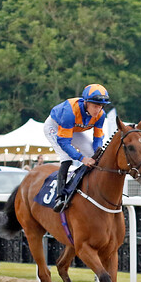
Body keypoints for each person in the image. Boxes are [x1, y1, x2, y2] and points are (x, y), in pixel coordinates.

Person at [43, 83, 109, 212]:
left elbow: (97, 139)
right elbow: (64, 142)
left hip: (74, 129)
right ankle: (60, 197)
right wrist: (81, 158)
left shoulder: (101, 115)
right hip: (55, 126)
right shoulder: (70, 112)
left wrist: (96, 153)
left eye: (101, 106)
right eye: (95, 106)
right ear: (86, 103)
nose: (98, 110)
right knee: (66, 158)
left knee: (94, 155)